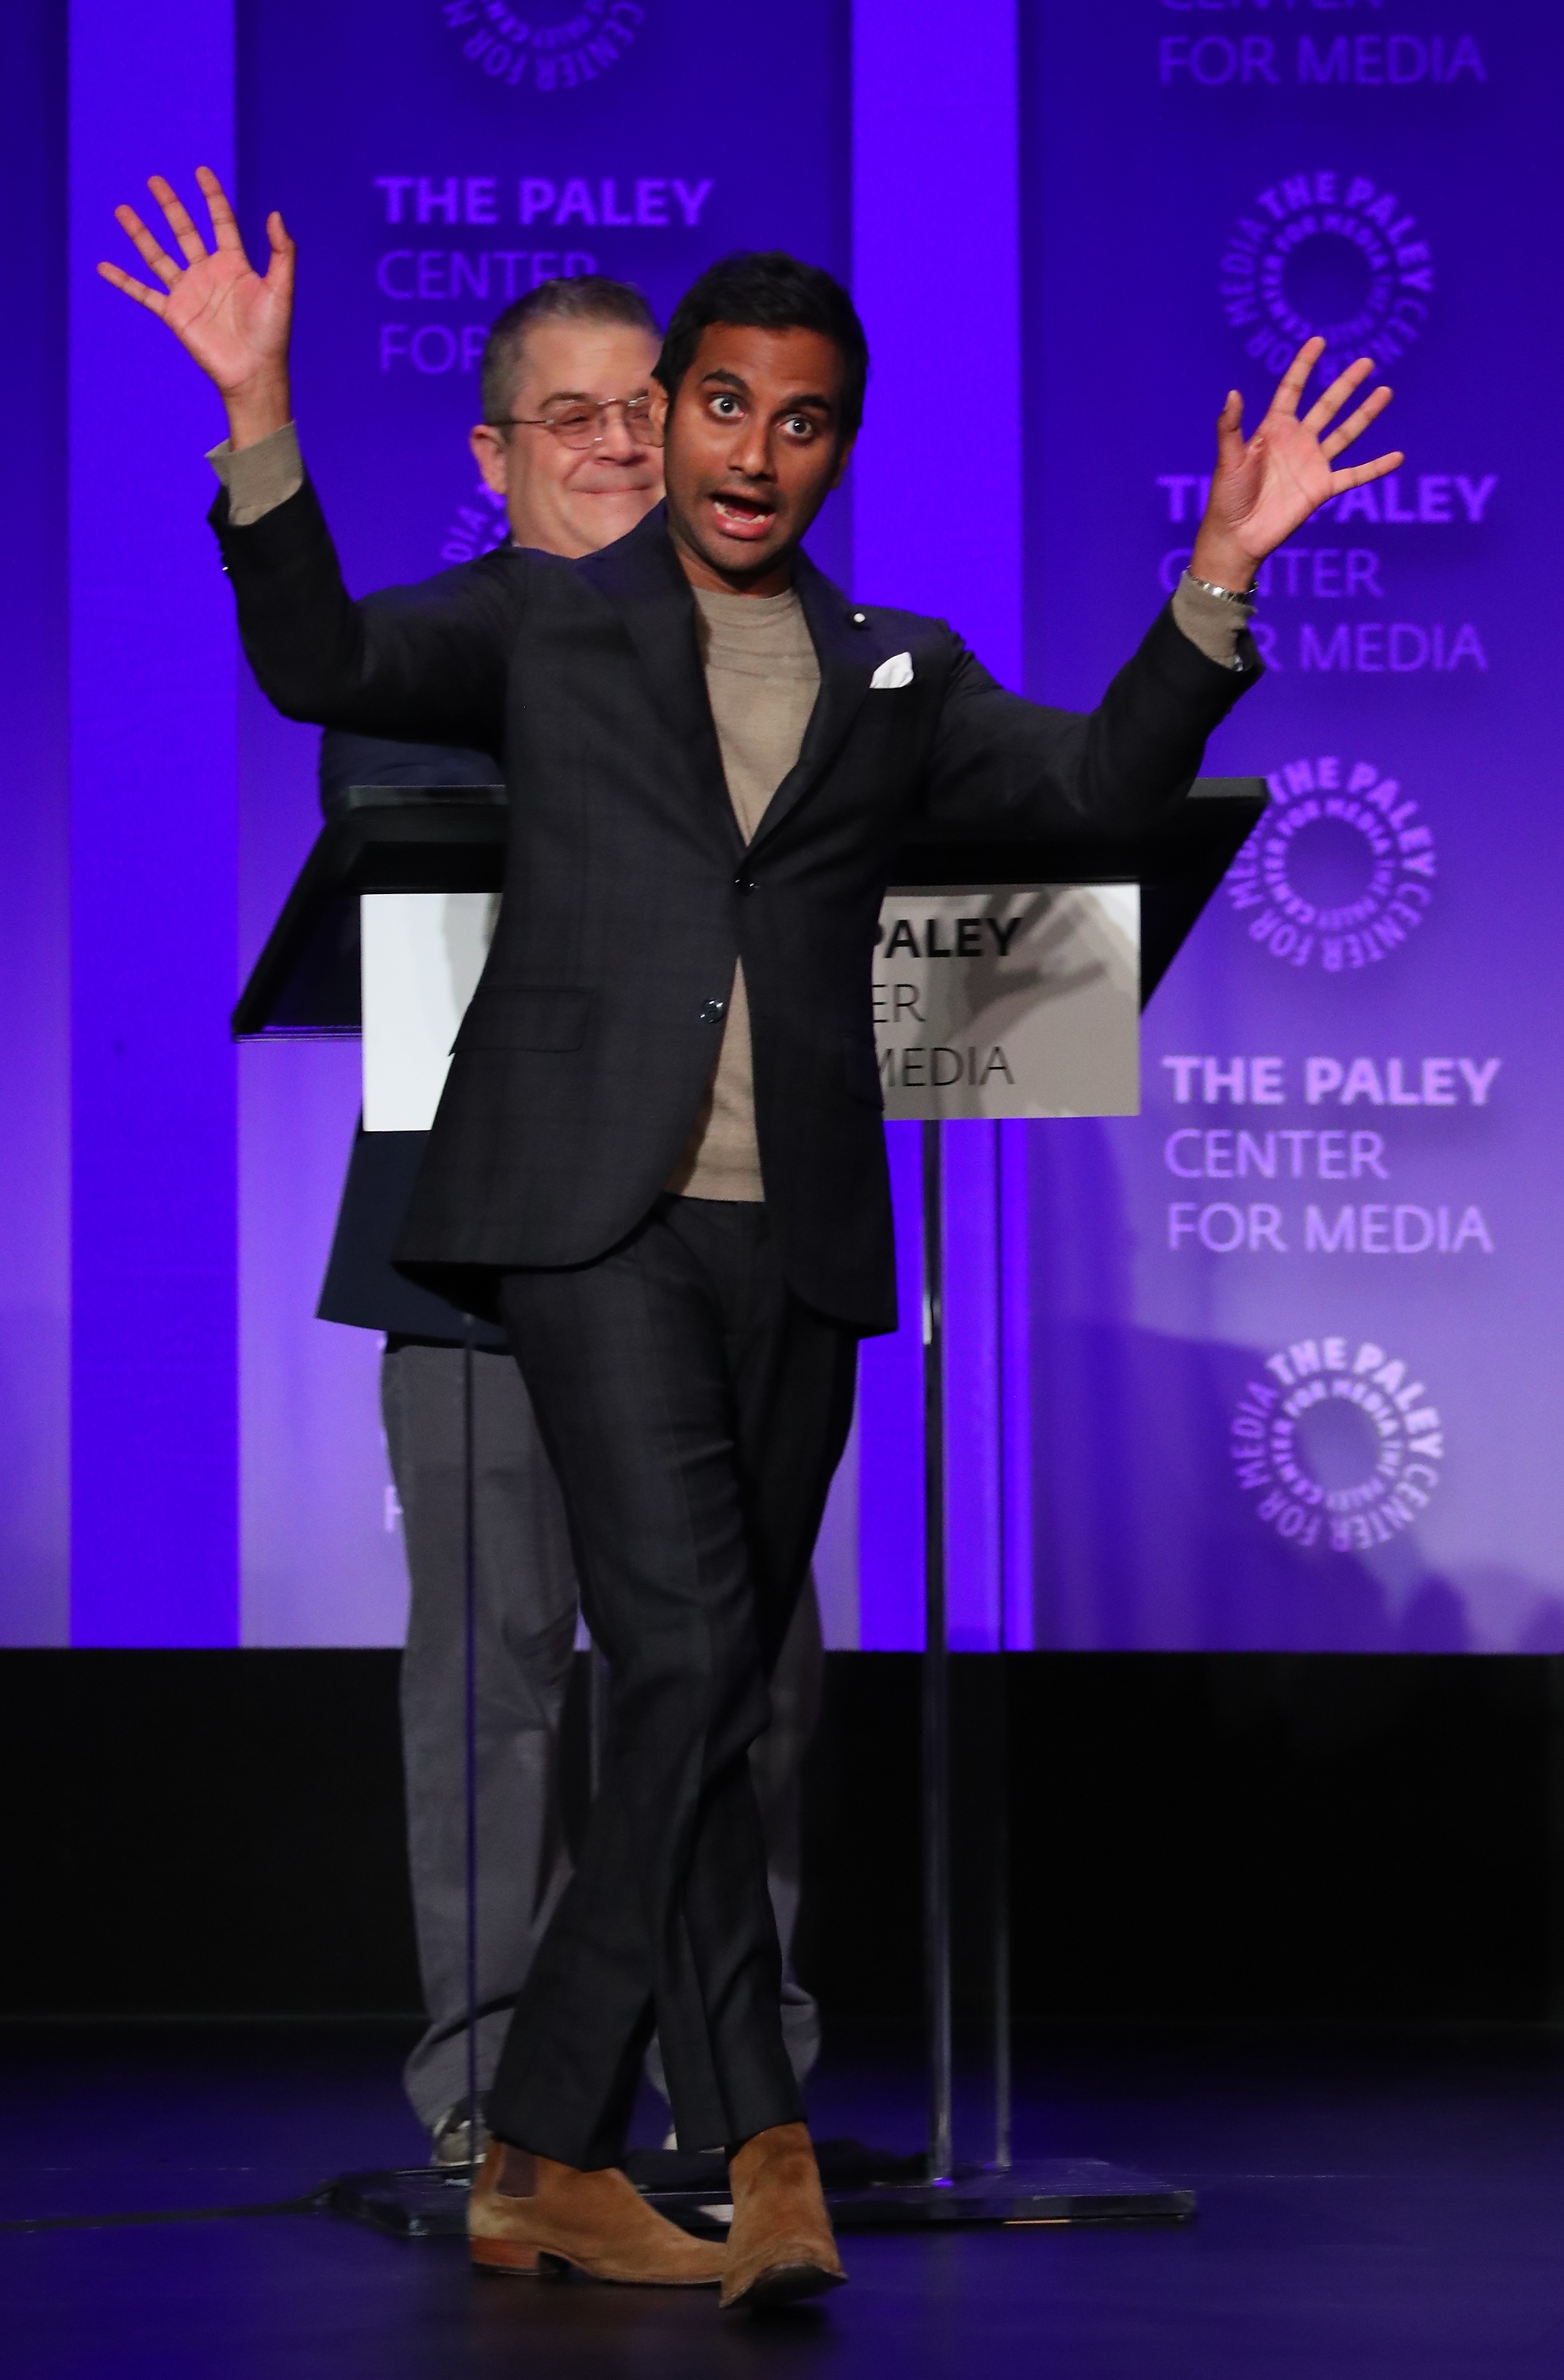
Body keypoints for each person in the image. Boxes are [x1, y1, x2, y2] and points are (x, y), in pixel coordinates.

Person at [101, 167, 1400, 2309]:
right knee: (691, 1659)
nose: (740, 452)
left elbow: (1086, 799)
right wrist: (258, 417)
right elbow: (319, 657)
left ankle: (753, 2142)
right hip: (584, 1225)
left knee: (727, 1699)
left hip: (790, 1246)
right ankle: (539, 2135)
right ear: (674, 419)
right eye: (710, 407)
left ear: (831, 446)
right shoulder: (544, 621)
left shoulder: (896, 671)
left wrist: (1210, 588)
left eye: (795, 422)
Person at [313, 275, 827, 2165]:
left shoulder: (780, 659)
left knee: (743, 1680)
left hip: (718, 1243)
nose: (623, 443)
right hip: (475, 1267)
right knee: (501, 1682)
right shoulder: (441, 657)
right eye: (577, 418)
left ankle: (737, 2091)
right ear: (496, 457)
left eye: (648, 411)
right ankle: (490, 2102)